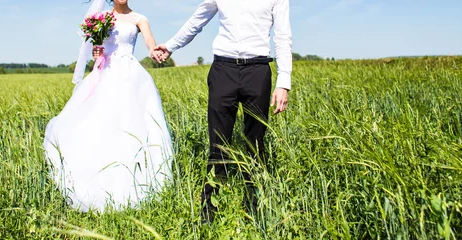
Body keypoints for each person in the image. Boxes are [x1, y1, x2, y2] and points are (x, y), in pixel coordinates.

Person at [152, 0, 292, 223]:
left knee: (254, 145)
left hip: (258, 71)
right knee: (217, 144)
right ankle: (208, 214)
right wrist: (170, 46)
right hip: (223, 70)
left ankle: (254, 210)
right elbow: (197, 20)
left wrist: (284, 81)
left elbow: (283, 38)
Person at [43, 0, 173, 212]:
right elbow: (97, 47)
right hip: (106, 73)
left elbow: (150, 41)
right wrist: (97, 52)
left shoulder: (139, 19)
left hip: (131, 74)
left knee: (133, 122)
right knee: (102, 121)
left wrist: (154, 51)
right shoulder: (101, 17)